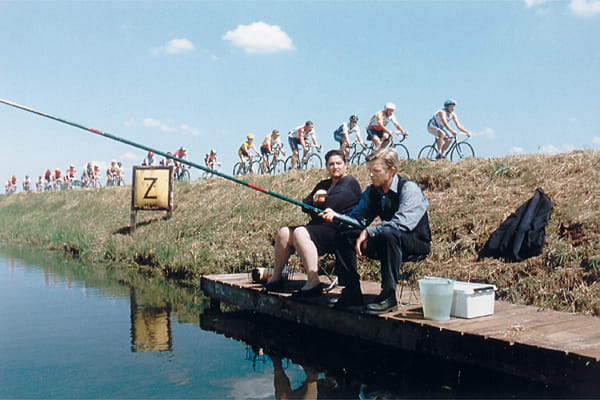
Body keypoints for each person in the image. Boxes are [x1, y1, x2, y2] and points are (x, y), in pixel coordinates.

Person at [321, 148, 431, 314]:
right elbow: (359, 218)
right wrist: (338, 217)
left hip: (415, 242)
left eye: (376, 171)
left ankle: (388, 296)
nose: (371, 175)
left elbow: (402, 224)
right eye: (370, 170)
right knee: (345, 232)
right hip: (387, 239)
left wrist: (369, 231)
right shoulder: (372, 191)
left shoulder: (409, 189)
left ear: (391, 170)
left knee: (388, 233)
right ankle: (352, 291)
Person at [264, 149, 362, 297]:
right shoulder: (324, 183)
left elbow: (333, 204)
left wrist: (321, 200)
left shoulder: (350, 183)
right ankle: (276, 278)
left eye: (338, 163)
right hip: (318, 227)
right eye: (331, 164)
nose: (335, 167)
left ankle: (313, 283)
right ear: (326, 166)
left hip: (339, 230)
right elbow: (305, 204)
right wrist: (317, 201)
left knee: (300, 232)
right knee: (284, 233)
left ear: (345, 165)